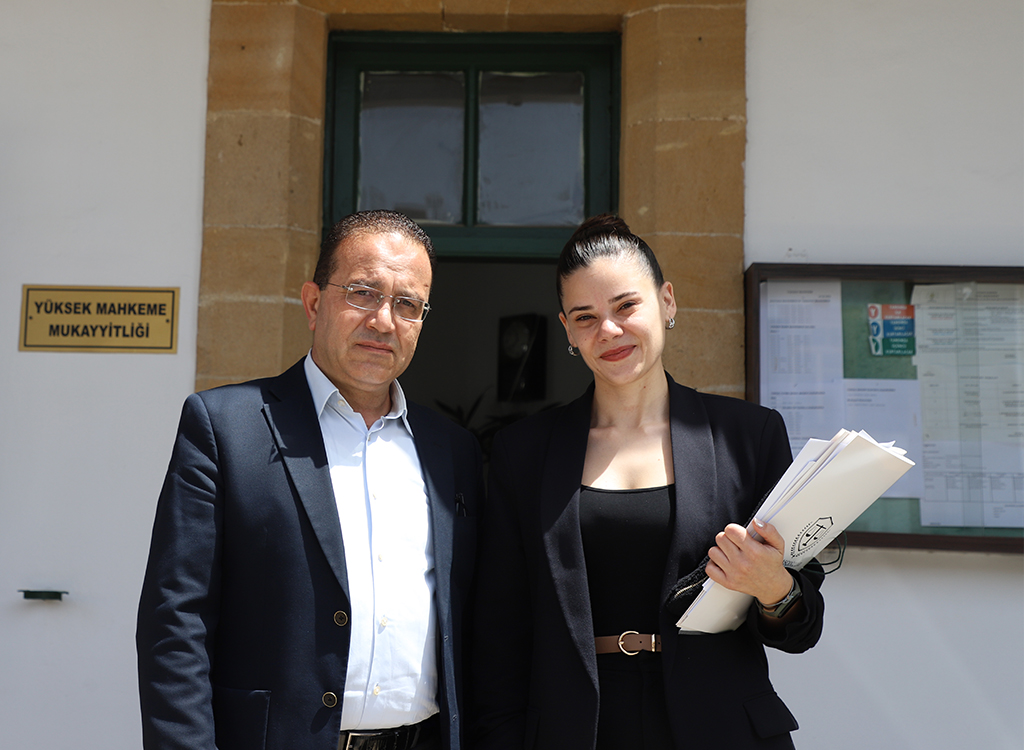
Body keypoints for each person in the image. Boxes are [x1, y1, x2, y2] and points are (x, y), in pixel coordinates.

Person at [470, 215, 825, 749]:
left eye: (625, 306)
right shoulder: (524, 453)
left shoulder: (749, 436)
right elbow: (499, 633)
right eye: (585, 317)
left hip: (722, 729)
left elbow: (802, 628)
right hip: (575, 731)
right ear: (567, 330)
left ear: (667, 302)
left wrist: (773, 586)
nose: (608, 331)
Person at [137, 210, 482, 750]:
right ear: (314, 303)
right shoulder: (226, 428)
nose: (384, 321)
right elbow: (175, 624)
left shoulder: (453, 450)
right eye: (363, 293)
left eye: (407, 304)